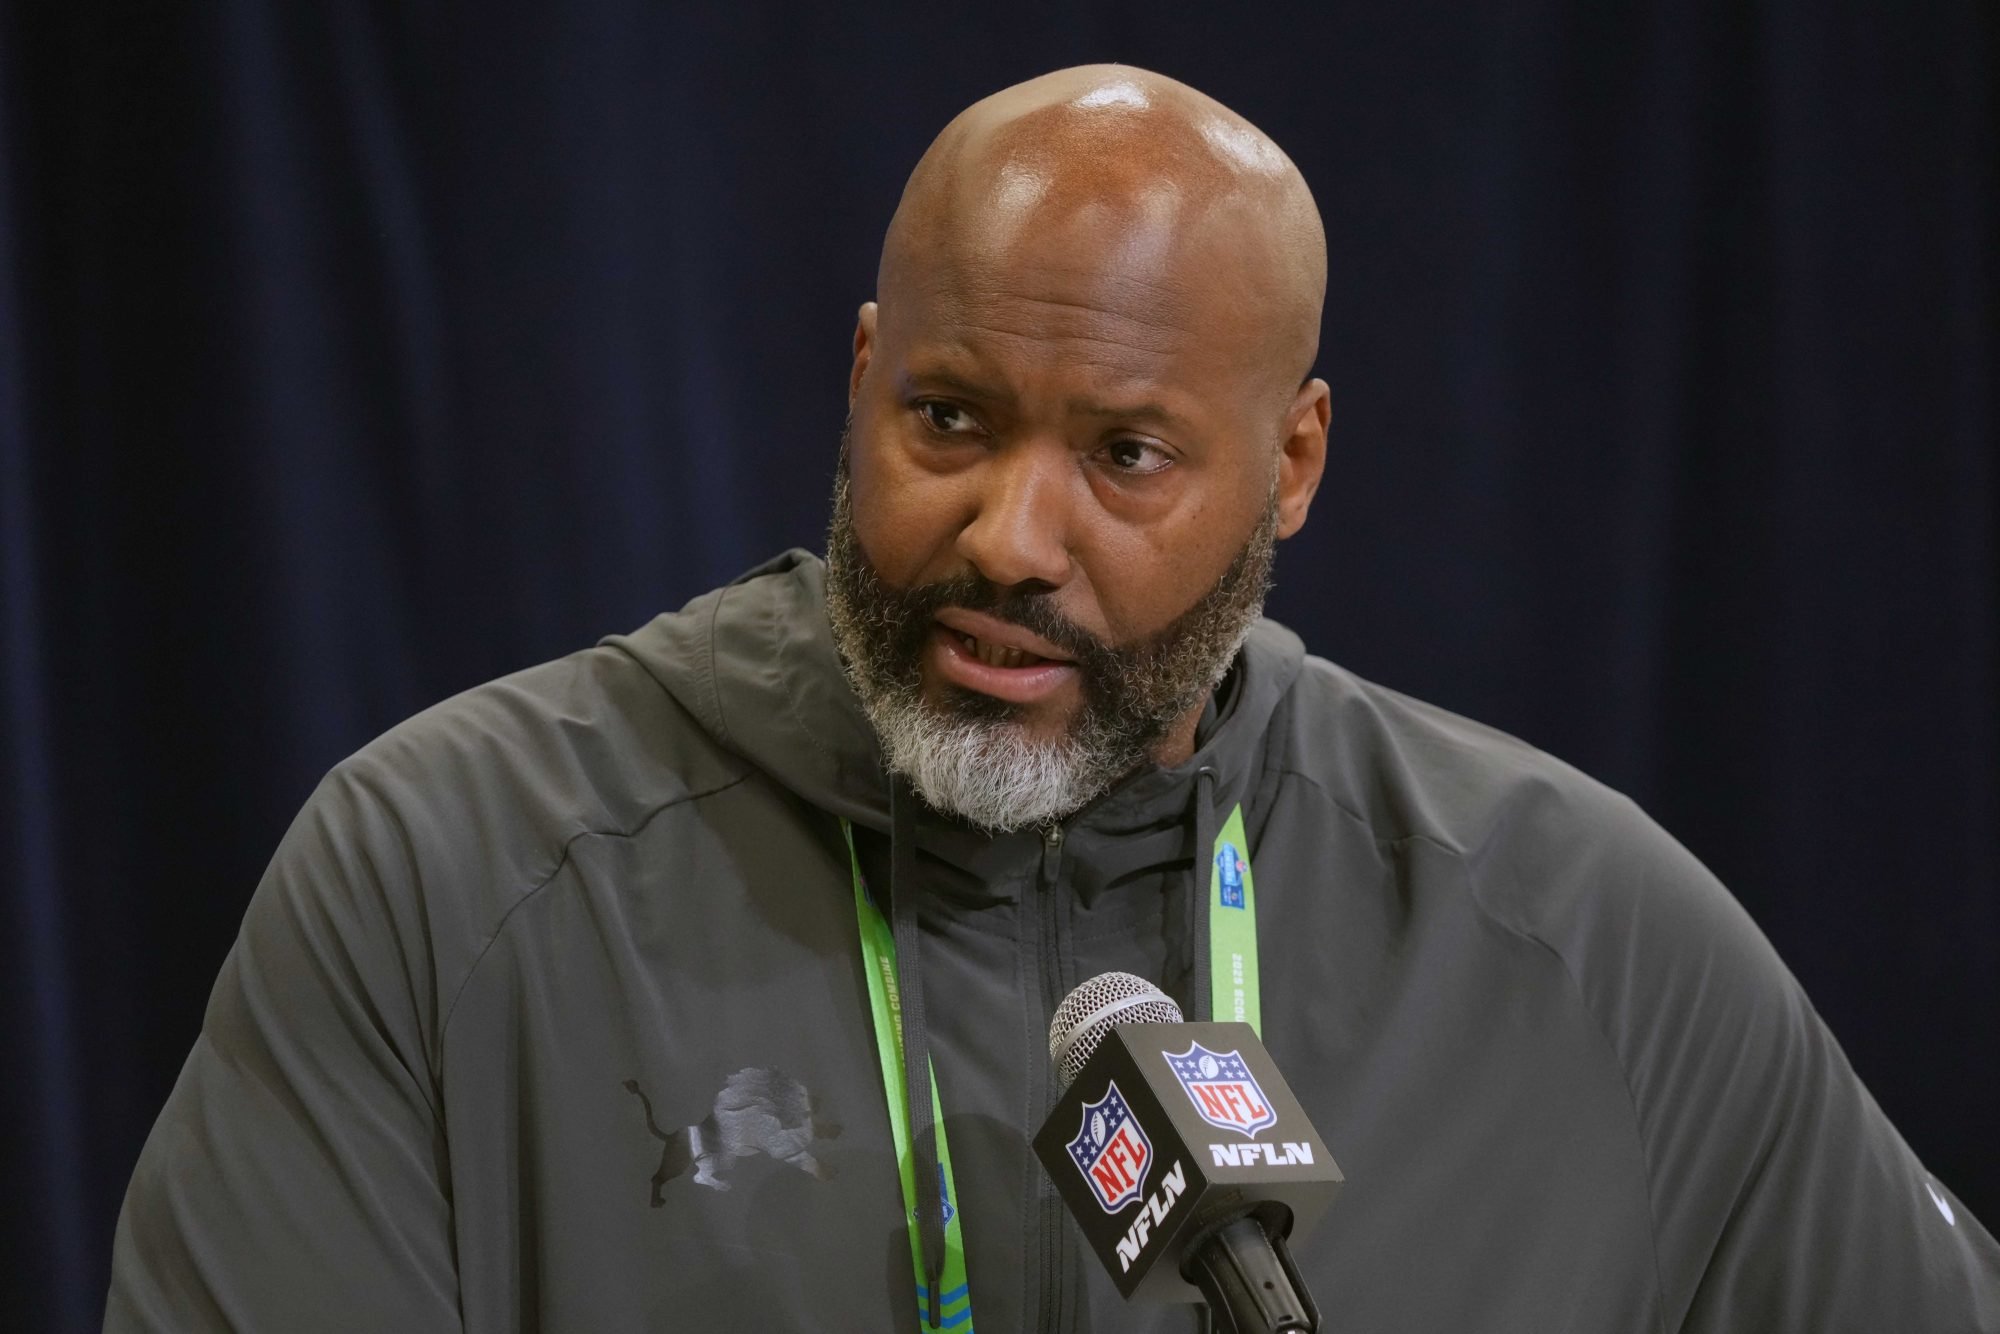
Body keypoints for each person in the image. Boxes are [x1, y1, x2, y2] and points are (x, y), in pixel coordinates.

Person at [105, 65, 1997, 1333]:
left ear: (1296, 466)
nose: (1012, 532)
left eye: (1130, 453)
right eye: (949, 418)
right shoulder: (439, 879)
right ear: (860, 381)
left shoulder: (1585, 935)